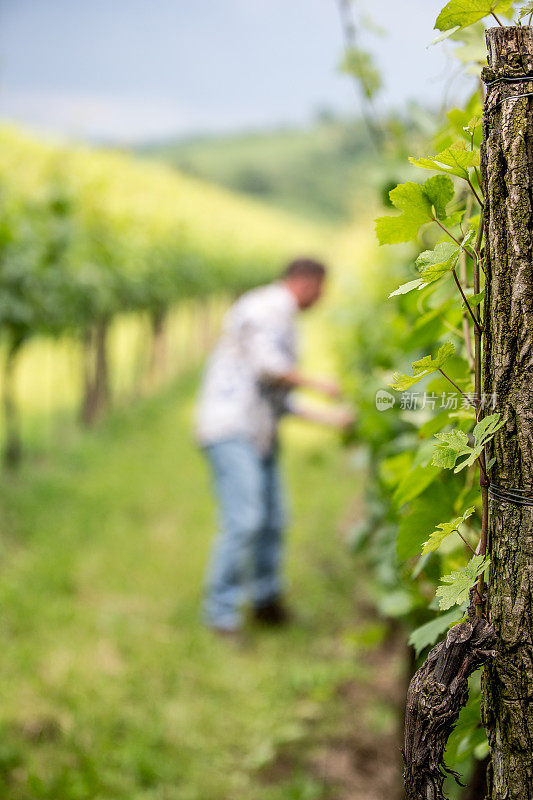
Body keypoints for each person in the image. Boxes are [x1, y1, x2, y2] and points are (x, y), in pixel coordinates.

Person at [195, 257, 353, 635]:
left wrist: (333, 419)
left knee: (272, 519)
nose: (322, 297)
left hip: (258, 431)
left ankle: (265, 601)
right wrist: (320, 384)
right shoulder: (266, 307)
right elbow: (268, 367)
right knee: (244, 520)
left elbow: (279, 401)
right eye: (321, 288)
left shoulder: (282, 319)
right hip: (231, 427)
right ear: (305, 282)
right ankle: (221, 614)